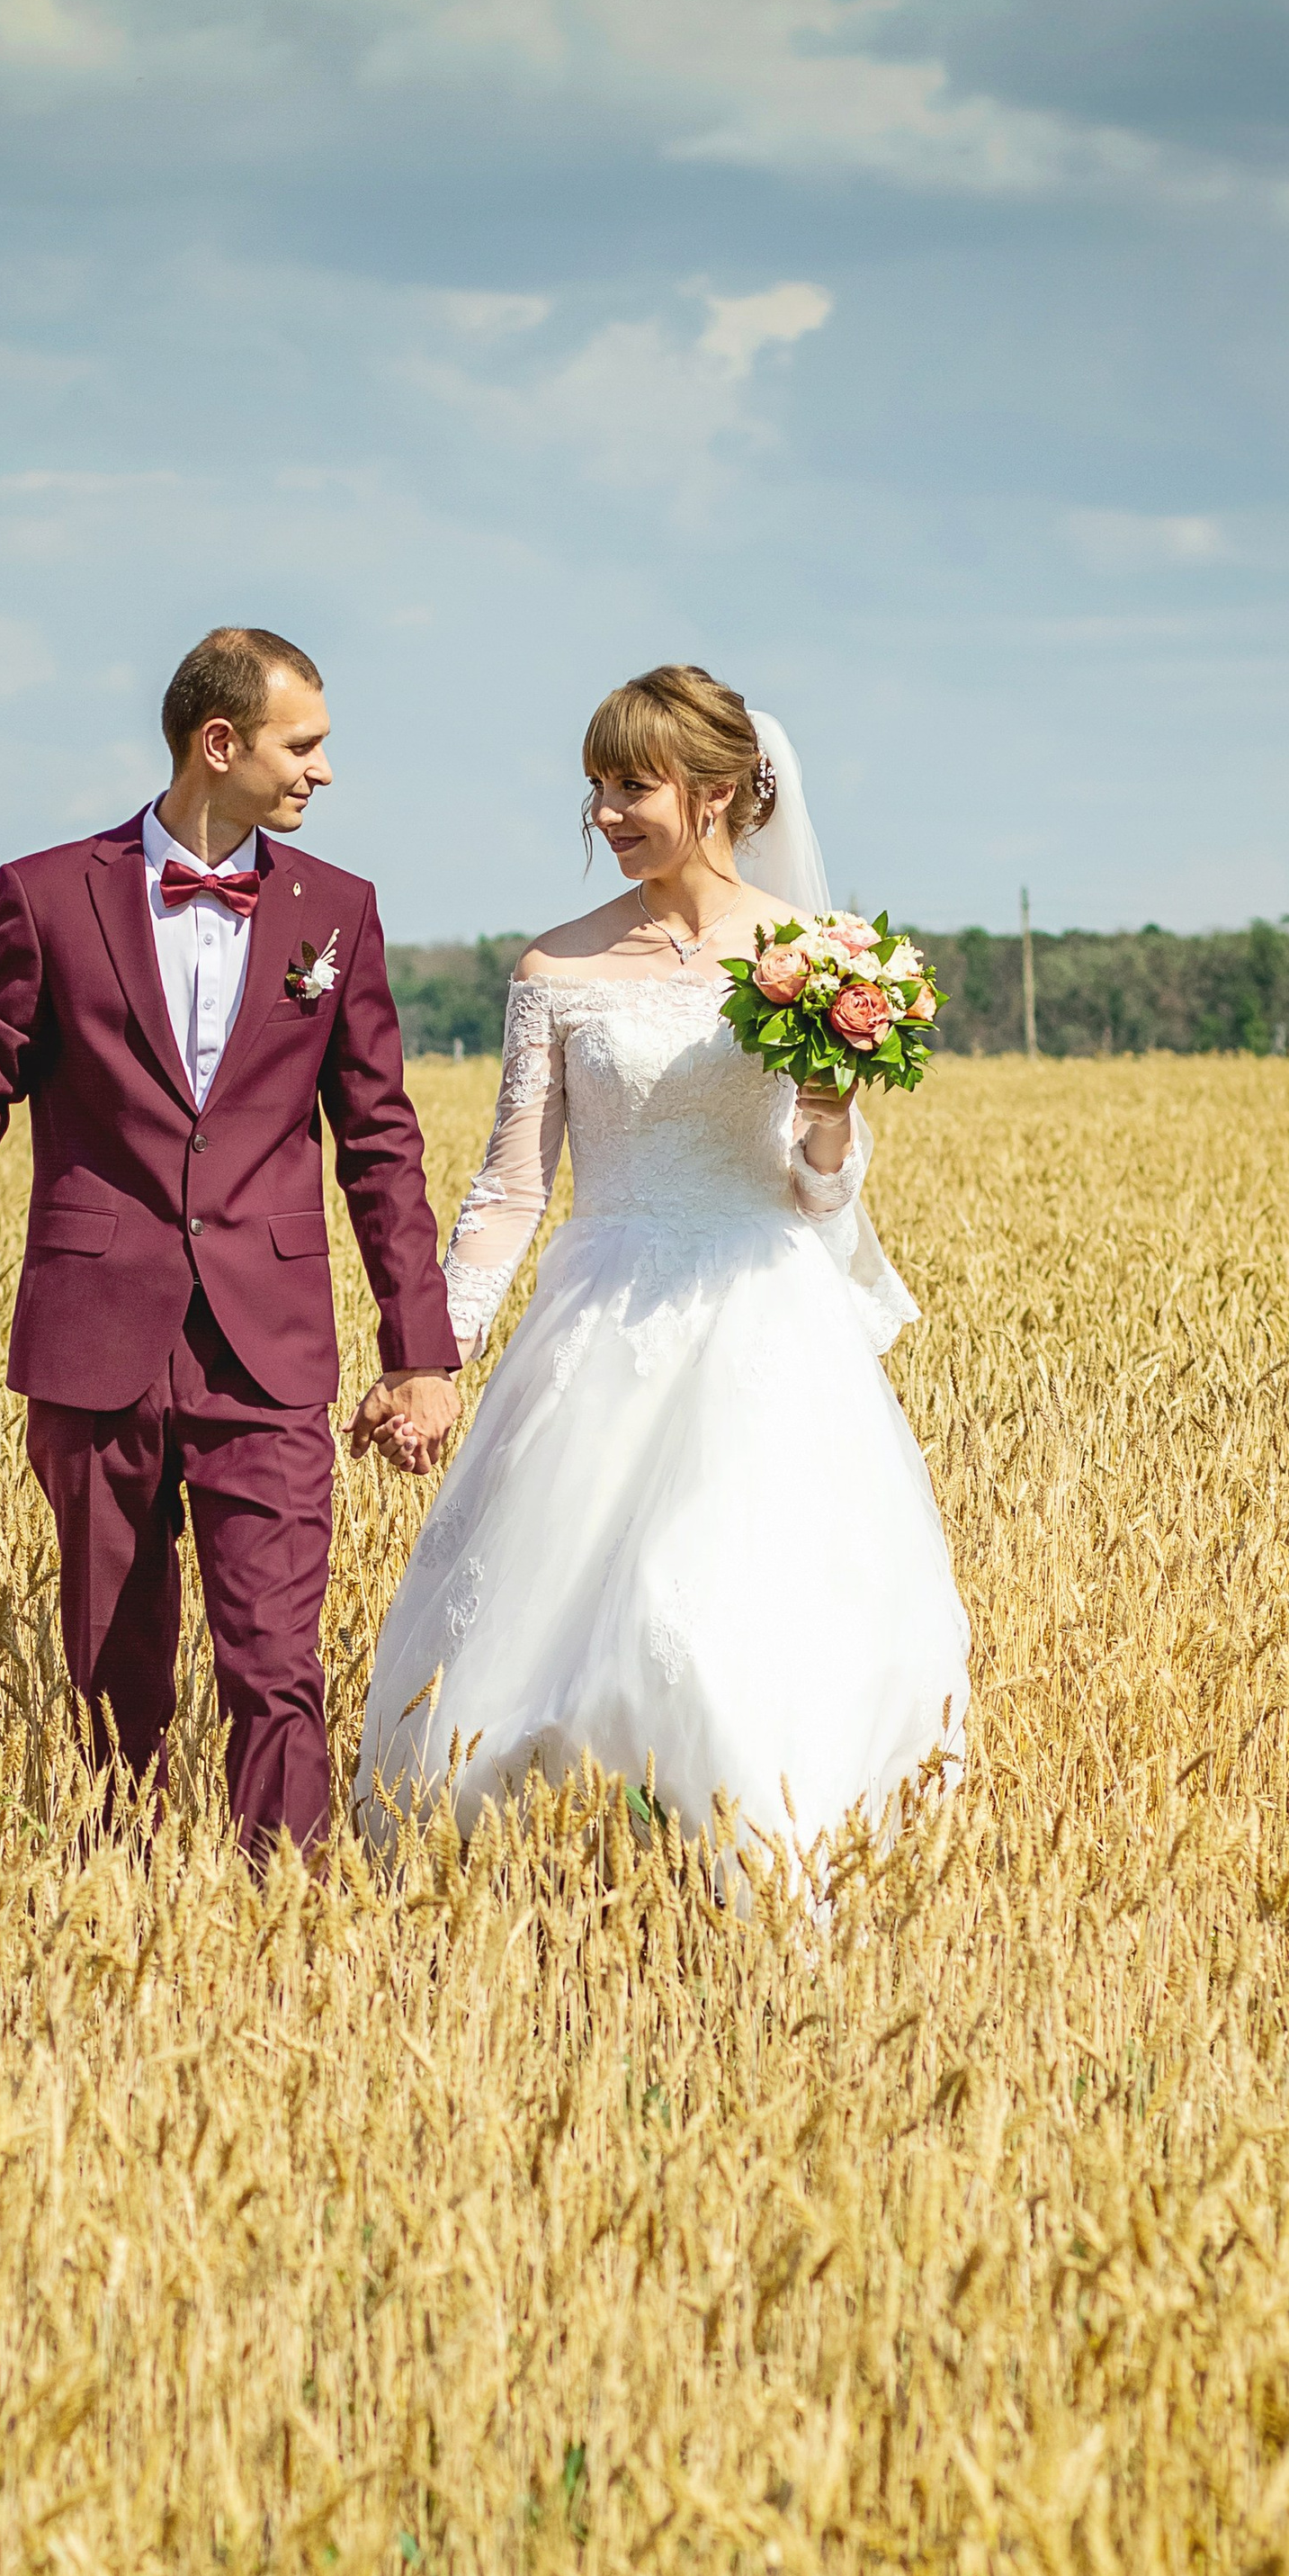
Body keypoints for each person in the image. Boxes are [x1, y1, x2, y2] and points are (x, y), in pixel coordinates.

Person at [355, 664, 970, 1877]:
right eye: (595, 788)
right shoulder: (557, 970)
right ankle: (564, 1875)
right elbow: (512, 1189)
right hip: (604, 1320)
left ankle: (769, 1873)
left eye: (633, 785)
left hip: (768, 1322)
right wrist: (432, 1353)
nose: (606, 814)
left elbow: (826, 1192)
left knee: (736, 1602)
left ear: (720, 790)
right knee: (575, 1622)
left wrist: (833, 1114)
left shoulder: (817, 958)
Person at [0, 626, 461, 1859]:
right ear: (219, 743)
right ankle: (115, 1912)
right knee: (114, 1675)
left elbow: (380, 1142)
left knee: (277, 1669)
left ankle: (279, 1925)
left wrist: (421, 1351)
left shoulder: (337, 912)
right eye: (305, 746)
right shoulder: (44, 895)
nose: (324, 773)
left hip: (270, 1350)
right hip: (93, 1347)